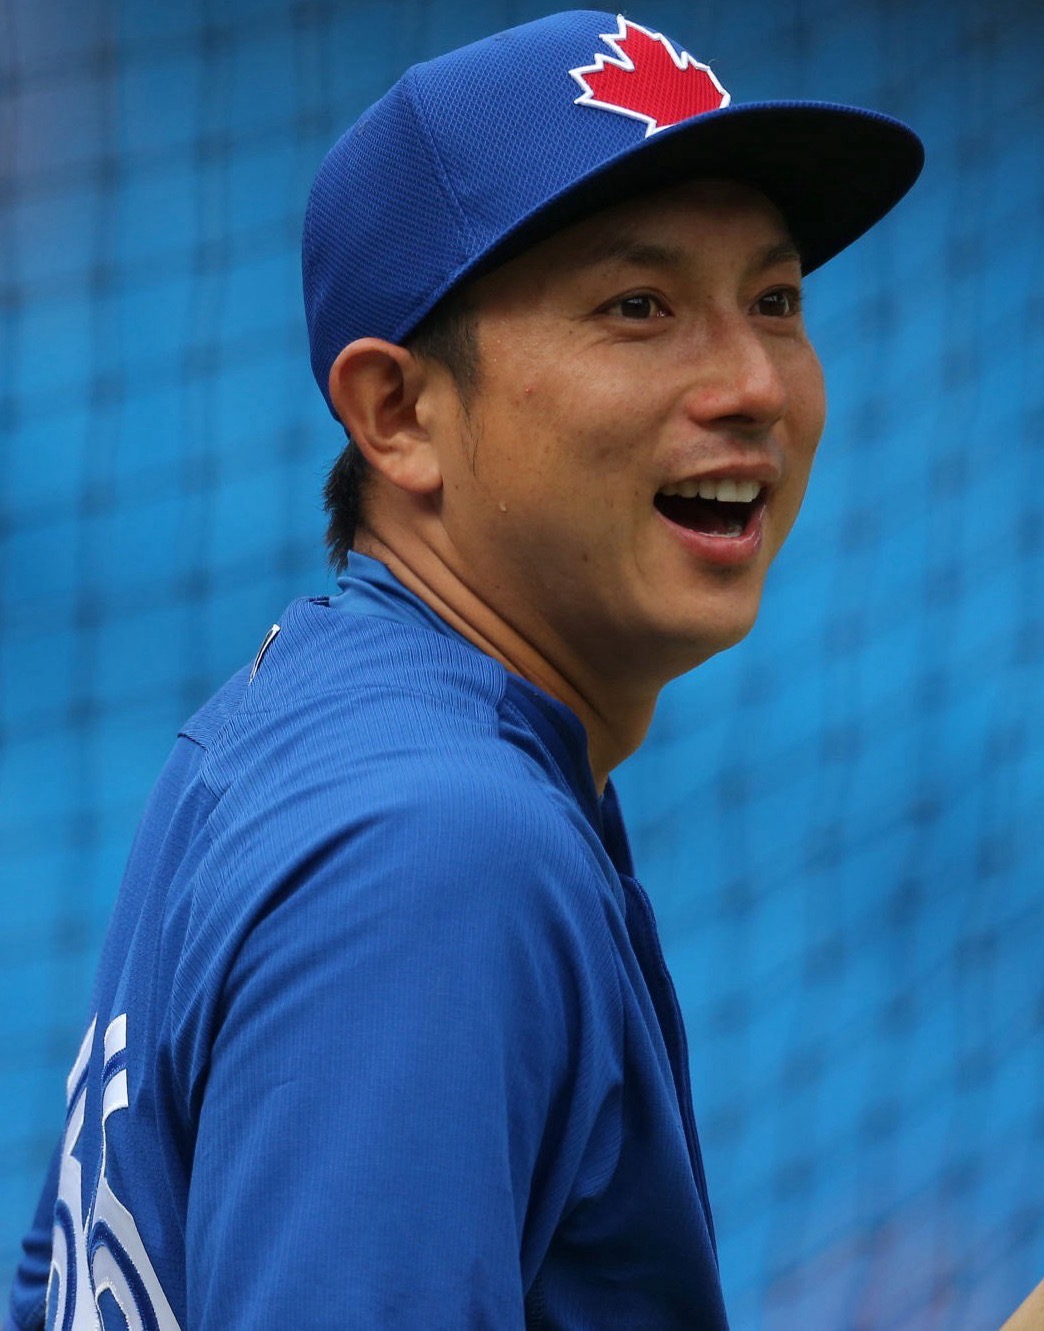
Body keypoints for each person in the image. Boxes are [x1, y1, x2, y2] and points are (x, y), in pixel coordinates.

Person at [6, 11, 921, 1329]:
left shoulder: (296, 724)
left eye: (774, 303)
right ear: (397, 412)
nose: (753, 385)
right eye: (639, 308)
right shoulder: (438, 850)